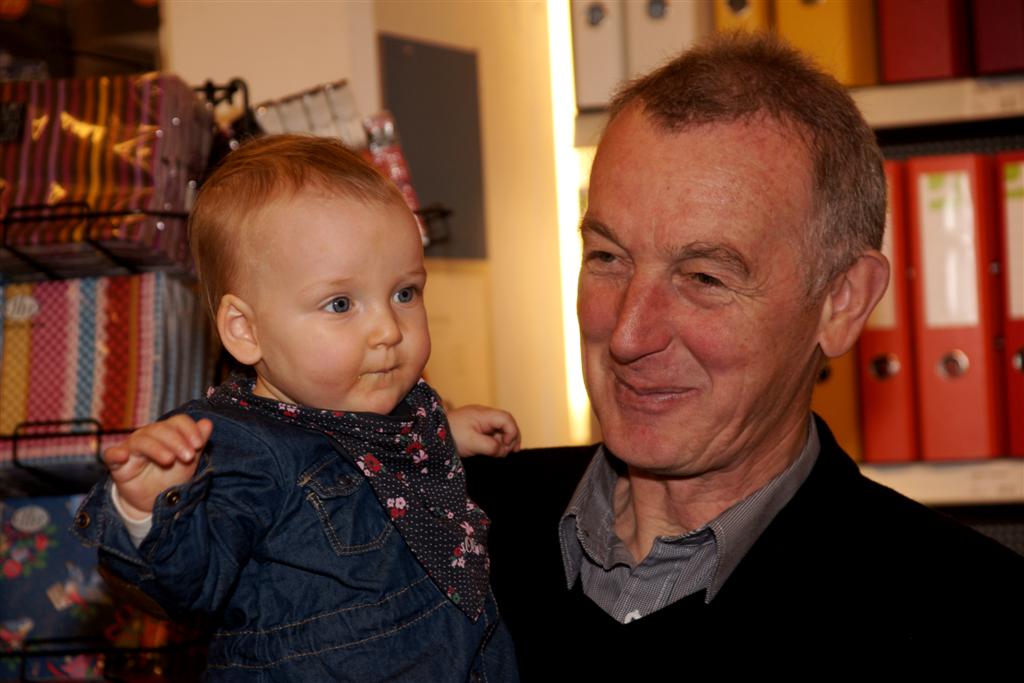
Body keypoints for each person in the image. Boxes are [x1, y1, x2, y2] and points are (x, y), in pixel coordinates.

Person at [463, 32, 1024, 669]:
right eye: (607, 258)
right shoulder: (433, 527)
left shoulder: (974, 618)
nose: (627, 334)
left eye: (705, 277)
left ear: (841, 302)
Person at [72, 134, 521, 681]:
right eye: (340, 303)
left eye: (405, 293)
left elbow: (379, 459)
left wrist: (441, 432)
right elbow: (188, 586)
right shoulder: (238, 448)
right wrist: (151, 510)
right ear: (246, 330)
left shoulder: (368, 401)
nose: (388, 329)